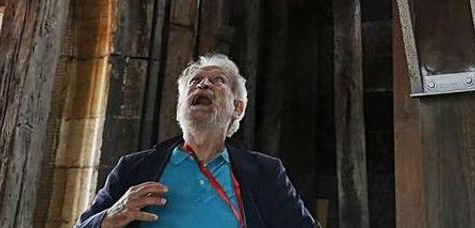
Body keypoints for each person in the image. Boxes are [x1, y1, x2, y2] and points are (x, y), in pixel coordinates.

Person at [76, 54, 317, 227]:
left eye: (217, 80)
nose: (203, 83)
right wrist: (108, 218)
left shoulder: (265, 172)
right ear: (179, 108)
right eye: (195, 81)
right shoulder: (134, 168)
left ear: (238, 108)